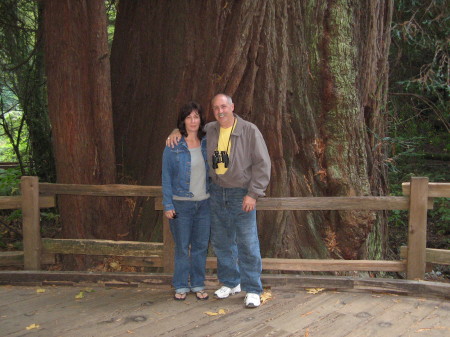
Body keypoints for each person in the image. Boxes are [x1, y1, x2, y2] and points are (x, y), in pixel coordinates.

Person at [166, 94, 271, 308]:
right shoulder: (211, 130)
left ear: (232, 106)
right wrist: (175, 131)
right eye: (215, 108)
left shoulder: (249, 130)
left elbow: (262, 164)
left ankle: (252, 288)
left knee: (247, 242)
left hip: (241, 194)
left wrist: (253, 193)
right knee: (222, 242)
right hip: (215, 193)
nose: (220, 111)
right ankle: (231, 282)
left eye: (223, 106)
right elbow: (190, 129)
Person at [162, 101, 210, 301]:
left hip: (205, 204)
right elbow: (166, 176)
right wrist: (168, 204)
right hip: (181, 204)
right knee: (182, 247)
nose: (193, 121)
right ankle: (181, 285)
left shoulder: (208, 142)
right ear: (183, 120)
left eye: (196, 116)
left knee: (200, 246)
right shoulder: (173, 146)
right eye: (189, 117)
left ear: (201, 119)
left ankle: (198, 283)